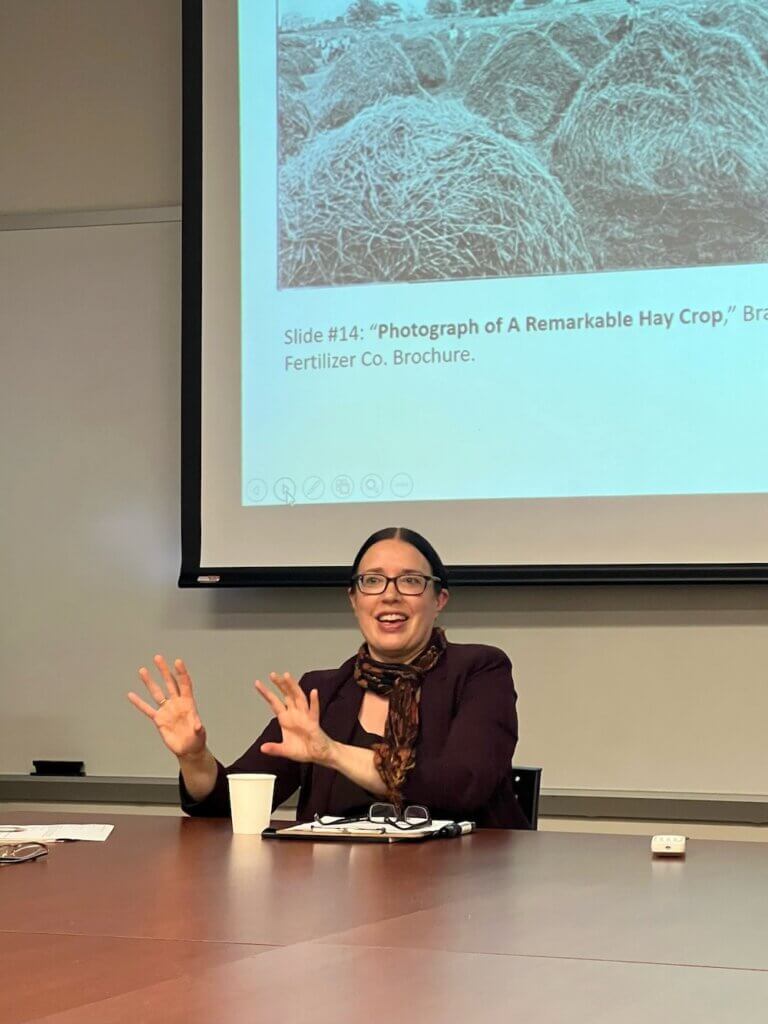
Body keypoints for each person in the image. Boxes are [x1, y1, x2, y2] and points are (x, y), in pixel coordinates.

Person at [128, 527, 529, 828]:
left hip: (463, 897)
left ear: (438, 600)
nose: (389, 595)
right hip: (334, 898)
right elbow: (226, 807)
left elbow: (461, 788)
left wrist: (331, 752)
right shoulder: (320, 691)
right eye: (371, 581)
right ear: (354, 599)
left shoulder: (480, 670)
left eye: (410, 581)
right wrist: (194, 756)